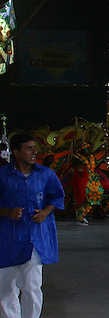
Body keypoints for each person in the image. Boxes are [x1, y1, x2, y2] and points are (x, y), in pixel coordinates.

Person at [0, 132, 65, 318]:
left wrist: (45, 212)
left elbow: (58, 197)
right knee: (5, 290)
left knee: (32, 288)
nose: (34, 152)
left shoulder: (46, 174)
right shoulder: (3, 176)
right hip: (7, 240)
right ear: (16, 152)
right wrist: (6, 212)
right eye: (29, 149)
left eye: (34, 148)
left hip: (35, 239)